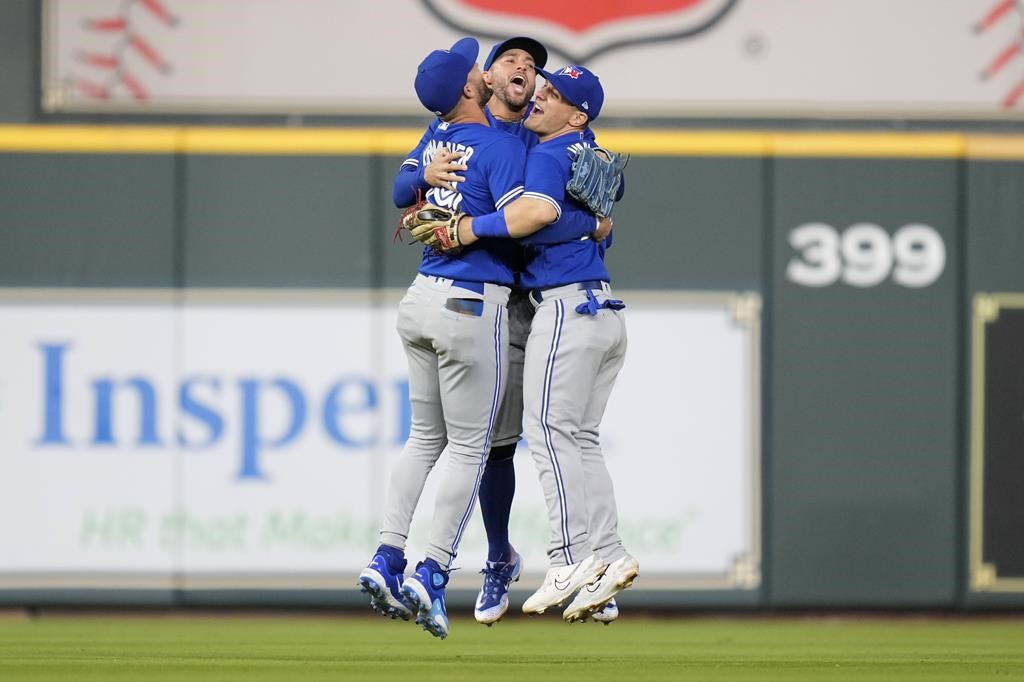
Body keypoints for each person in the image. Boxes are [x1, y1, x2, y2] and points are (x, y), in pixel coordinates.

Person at [391, 37, 619, 626]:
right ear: (484, 80)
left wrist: (592, 220)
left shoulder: (548, 136)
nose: (524, 67)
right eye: (509, 60)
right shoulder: (460, 135)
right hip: (494, 299)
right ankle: (499, 557)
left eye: (532, 65)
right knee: (498, 440)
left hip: (533, 302)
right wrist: (420, 171)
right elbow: (405, 201)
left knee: (538, 434)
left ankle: (591, 562)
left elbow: (596, 205)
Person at [451, 63, 639, 623]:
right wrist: (595, 222)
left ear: (576, 114)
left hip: (565, 306)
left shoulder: (551, 154)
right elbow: (609, 197)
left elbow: (534, 213)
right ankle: (607, 556)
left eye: (554, 94)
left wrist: (468, 227)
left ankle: (568, 559)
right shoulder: (590, 153)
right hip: (603, 309)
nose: (540, 95)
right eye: (544, 86)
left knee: (549, 431)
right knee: (580, 439)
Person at [357, 36, 526, 640]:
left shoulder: (435, 138)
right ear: (466, 88)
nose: (484, 70)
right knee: (470, 448)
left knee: (424, 438)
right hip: (469, 303)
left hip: (420, 297)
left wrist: (425, 176)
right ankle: (432, 571)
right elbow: (516, 227)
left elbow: (402, 192)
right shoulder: (498, 146)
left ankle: (386, 554)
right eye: (476, 67)